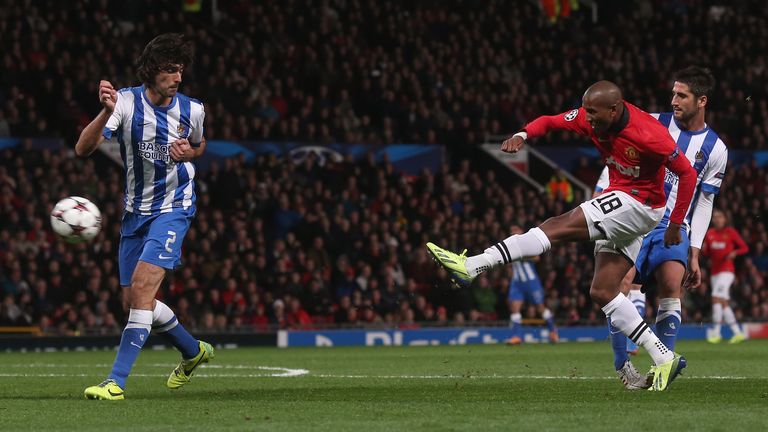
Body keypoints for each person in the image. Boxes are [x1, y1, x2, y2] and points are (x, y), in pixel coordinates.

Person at [427, 80, 697, 391]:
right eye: (586, 112)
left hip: (640, 204)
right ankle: (664, 357)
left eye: (594, 113)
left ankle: (473, 265)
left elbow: (687, 173)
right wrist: (523, 134)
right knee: (603, 291)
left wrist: (676, 223)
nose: (588, 118)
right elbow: (550, 121)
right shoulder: (590, 117)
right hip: (624, 198)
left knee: (555, 226)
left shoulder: (649, 134)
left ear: (615, 109)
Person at [75, 34, 212, 400]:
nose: (178, 77)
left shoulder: (193, 110)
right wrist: (105, 111)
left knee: (142, 290)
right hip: (136, 213)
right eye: (170, 70)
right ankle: (192, 350)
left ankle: (115, 382)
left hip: (175, 207)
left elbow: (200, 144)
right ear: (152, 71)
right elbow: (83, 148)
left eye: (180, 70)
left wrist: (190, 153)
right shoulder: (125, 102)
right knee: (135, 302)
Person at [595, 66, 729, 389]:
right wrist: (601, 197)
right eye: (673, 93)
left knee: (672, 283)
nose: (674, 100)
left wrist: (694, 251)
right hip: (637, 215)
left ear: (702, 101)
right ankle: (623, 366)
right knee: (619, 284)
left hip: (674, 225)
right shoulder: (654, 123)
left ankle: (662, 367)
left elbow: (705, 202)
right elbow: (617, 161)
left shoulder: (716, 149)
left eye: (681, 95)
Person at [504, 226, 557, 345]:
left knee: (540, 308)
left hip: (531, 282)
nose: (513, 233)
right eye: (511, 231)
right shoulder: (509, 246)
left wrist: (519, 255)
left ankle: (552, 330)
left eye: (516, 230)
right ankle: (517, 336)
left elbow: (536, 257)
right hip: (517, 283)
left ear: (521, 232)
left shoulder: (527, 243)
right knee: (515, 308)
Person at [703, 209, 749, 343]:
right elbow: (706, 253)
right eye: (715, 217)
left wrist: (734, 252)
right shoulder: (710, 234)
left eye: (719, 217)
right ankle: (737, 332)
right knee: (723, 303)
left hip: (727, 271)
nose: (717, 219)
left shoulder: (730, 233)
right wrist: (705, 249)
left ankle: (716, 333)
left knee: (716, 298)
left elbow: (744, 248)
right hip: (714, 273)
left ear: (724, 219)